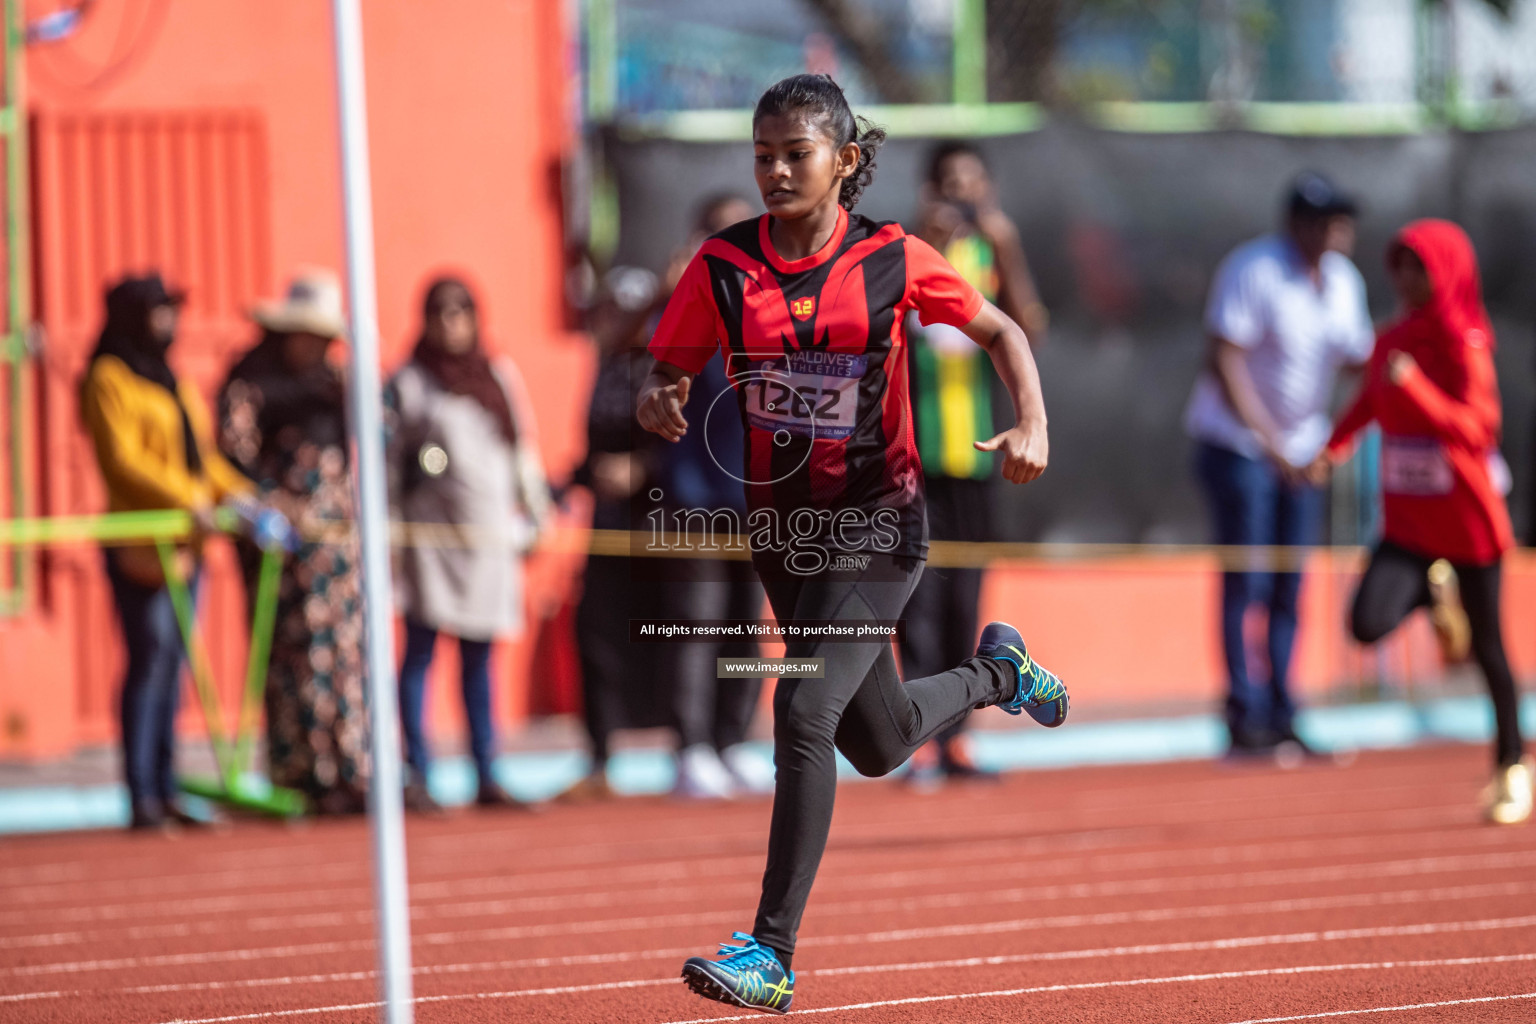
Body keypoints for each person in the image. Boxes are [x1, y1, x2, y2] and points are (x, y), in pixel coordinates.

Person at [636, 74, 1068, 1014]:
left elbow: (998, 330)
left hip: (881, 521)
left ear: (846, 162)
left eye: (797, 153)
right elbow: (664, 366)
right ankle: (1002, 674)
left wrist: (1031, 421)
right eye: (762, 155)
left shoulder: (892, 257)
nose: (777, 171)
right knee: (879, 741)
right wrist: (658, 396)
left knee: (800, 719)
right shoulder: (722, 266)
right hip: (784, 534)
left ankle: (773, 955)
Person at [1315, 220, 1529, 824]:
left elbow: (1479, 427)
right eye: (1401, 266)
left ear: (1448, 273)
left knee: (1489, 649)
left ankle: (1511, 766)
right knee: (1365, 622)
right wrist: (1335, 445)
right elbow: (1369, 404)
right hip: (1409, 525)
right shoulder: (1393, 339)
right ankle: (1436, 597)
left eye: (1419, 267)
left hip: (1468, 524)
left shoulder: (1465, 341)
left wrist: (1418, 389)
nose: (1407, 279)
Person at [1183, 171, 1373, 758]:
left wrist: (1331, 441)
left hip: (1302, 456)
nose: (1337, 230)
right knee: (1250, 581)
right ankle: (1245, 714)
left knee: (1293, 584)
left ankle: (1284, 710)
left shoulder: (1343, 281)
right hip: (1239, 449)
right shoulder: (1255, 269)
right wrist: (1271, 446)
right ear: (1297, 222)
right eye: (1325, 218)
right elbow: (1226, 360)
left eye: (1343, 219)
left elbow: (1356, 362)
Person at [81, 273, 255, 831]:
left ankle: (167, 780)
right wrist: (190, 498)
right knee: (149, 660)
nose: (170, 323)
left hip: (186, 544)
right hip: (140, 543)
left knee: (175, 665)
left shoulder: (171, 380)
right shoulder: (107, 378)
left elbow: (201, 459)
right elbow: (123, 460)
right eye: (160, 312)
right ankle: (142, 792)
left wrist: (247, 497)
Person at [901, 140, 1049, 783]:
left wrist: (1008, 247)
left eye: (972, 182)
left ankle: (957, 737)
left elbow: (1029, 328)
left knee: (966, 599)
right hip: (914, 458)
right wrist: (921, 234)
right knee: (915, 602)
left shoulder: (988, 252)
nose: (961, 194)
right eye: (949, 183)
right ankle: (920, 736)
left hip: (977, 457)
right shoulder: (906, 253)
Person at [386, 276, 552, 812]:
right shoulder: (408, 383)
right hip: (429, 542)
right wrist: (389, 535)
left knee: (480, 662)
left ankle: (487, 770)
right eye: (440, 311)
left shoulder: (497, 374)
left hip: (487, 542)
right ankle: (418, 774)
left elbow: (521, 447)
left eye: (461, 311)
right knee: (419, 656)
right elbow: (388, 467)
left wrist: (535, 513)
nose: (451, 322)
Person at [218, 270, 370, 815]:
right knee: (294, 656)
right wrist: (269, 503)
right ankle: (303, 772)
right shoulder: (249, 383)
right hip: (280, 544)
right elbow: (231, 459)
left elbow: (380, 440)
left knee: (345, 654)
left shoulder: (336, 385)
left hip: (337, 547)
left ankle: (351, 769)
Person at [655, 194, 773, 799]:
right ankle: (691, 748)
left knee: (746, 627)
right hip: (694, 496)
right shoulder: (683, 307)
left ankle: (732, 741)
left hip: (756, 497)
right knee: (695, 626)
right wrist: (671, 296)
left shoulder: (766, 307)